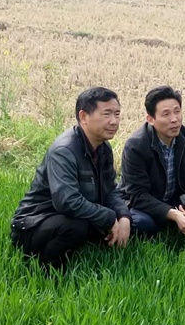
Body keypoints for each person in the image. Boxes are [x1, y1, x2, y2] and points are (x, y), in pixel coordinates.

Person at [11, 87, 131, 271]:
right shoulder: (64, 151)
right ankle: (48, 271)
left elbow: (110, 190)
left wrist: (123, 217)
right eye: (106, 114)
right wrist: (108, 217)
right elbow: (67, 202)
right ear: (83, 117)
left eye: (117, 114)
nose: (114, 121)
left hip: (66, 217)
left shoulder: (103, 147)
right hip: (34, 224)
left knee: (137, 223)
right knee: (77, 227)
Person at [119, 86, 185, 238]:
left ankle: (175, 223)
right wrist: (173, 214)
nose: (174, 119)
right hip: (144, 203)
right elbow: (138, 195)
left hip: (175, 199)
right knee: (143, 224)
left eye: (177, 111)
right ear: (151, 119)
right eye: (166, 114)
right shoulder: (136, 146)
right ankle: (169, 223)